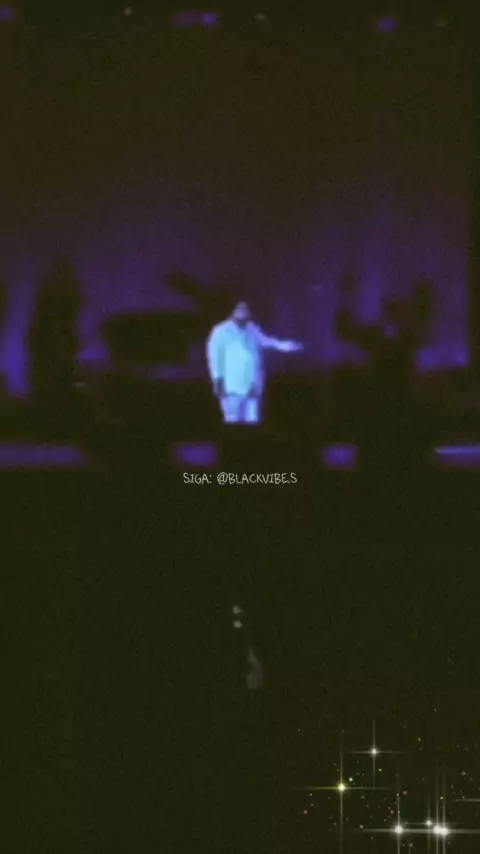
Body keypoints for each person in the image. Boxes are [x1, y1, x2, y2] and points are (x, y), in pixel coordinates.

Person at [206, 300, 303, 424]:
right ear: (232, 310)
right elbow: (214, 357)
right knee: (232, 420)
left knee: (252, 420)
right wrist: (218, 379)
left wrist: (286, 346)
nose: (242, 311)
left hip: (252, 384)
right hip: (230, 385)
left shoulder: (252, 329)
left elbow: (267, 341)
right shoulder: (220, 331)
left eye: (245, 308)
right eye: (239, 308)